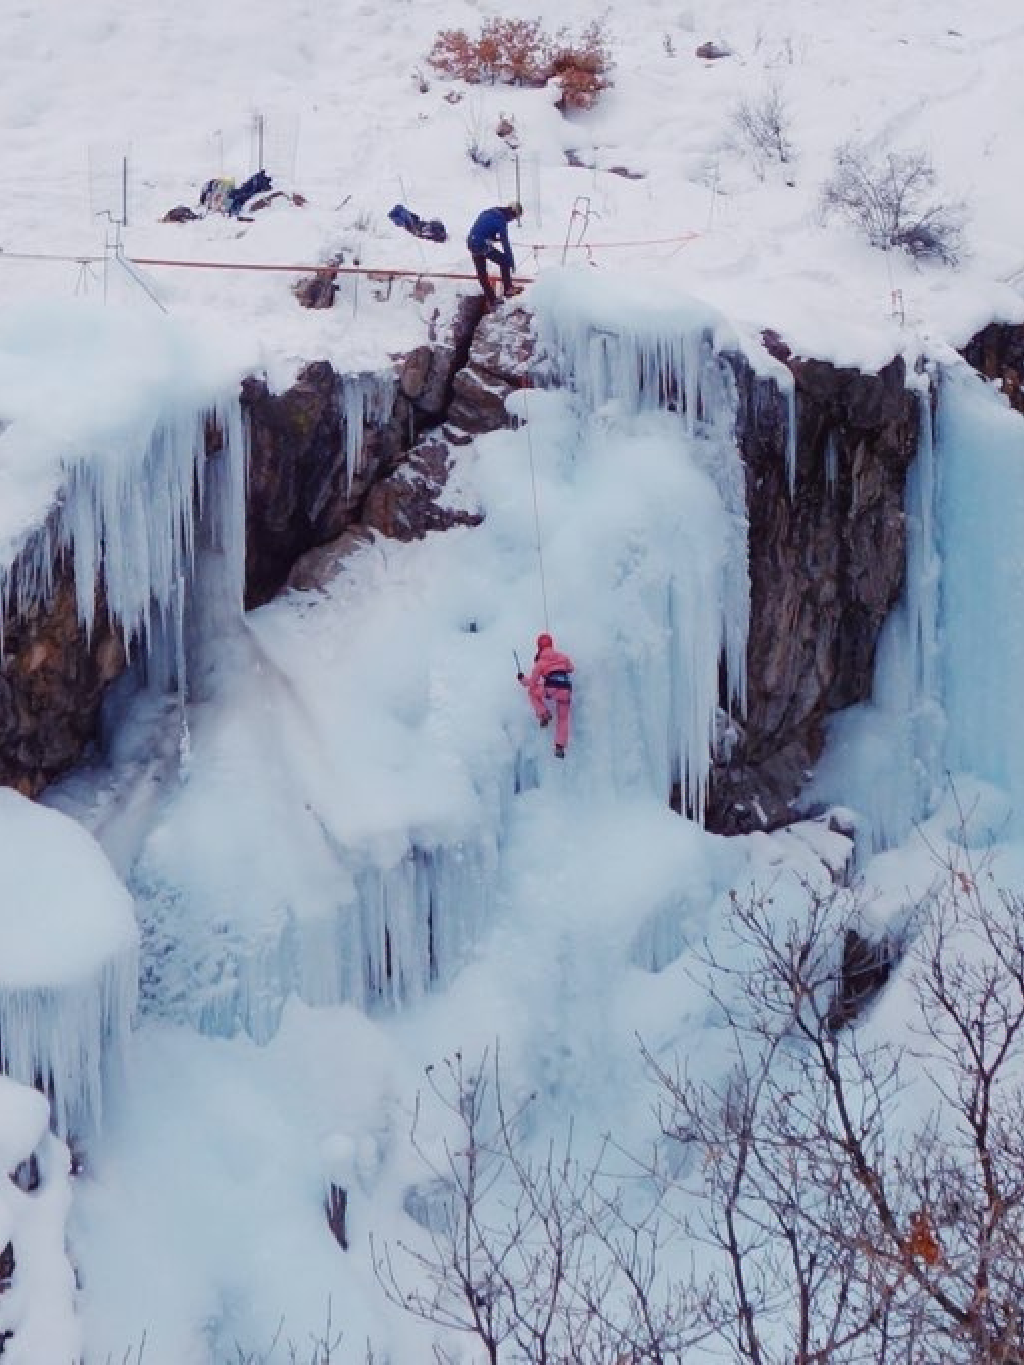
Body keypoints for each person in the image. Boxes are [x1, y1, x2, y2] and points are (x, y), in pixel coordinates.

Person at [518, 632, 573, 758]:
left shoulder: (540, 663)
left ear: (539, 647)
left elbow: (532, 683)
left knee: (532, 692)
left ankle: (544, 714)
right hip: (566, 691)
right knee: (563, 718)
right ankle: (559, 747)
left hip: (551, 689)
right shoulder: (563, 657)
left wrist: (522, 679)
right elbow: (571, 668)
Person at [467, 203, 523, 307]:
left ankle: (492, 300)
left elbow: (483, 227)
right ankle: (508, 289)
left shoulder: (489, 211)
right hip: (481, 244)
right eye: (514, 217)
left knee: (482, 274)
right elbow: (505, 244)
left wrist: (492, 237)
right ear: (512, 213)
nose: (512, 220)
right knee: (504, 261)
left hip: (471, 242)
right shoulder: (501, 220)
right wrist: (511, 262)